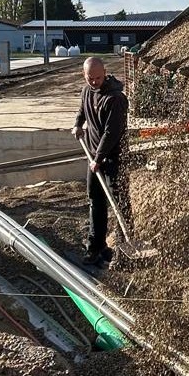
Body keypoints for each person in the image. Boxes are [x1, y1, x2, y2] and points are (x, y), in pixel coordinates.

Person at [71, 57, 128, 265]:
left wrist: (99, 158)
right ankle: (96, 246)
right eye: (90, 78)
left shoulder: (116, 99)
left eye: (98, 78)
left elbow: (111, 133)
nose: (94, 82)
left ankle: (124, 248)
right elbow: (82, 110)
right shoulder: (86, 91)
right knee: (95, 200)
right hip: (94, 156)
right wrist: (78, 124)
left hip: (115, 158)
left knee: (120, 203)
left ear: (105, 73)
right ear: (84, 75)